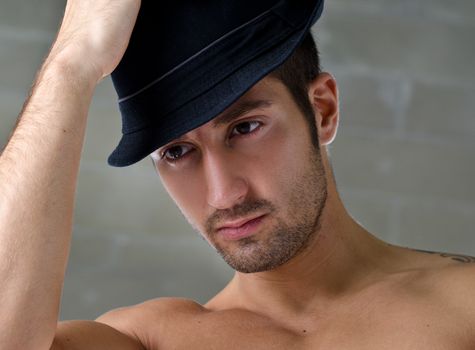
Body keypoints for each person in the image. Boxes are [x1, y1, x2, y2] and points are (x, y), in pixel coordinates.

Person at [0, 0, 474, 349]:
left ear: (322, 110)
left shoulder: (464, 302)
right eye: (177, 152)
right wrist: (71, 64)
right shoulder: (148, 342)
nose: (224, 194)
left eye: (246, 128)